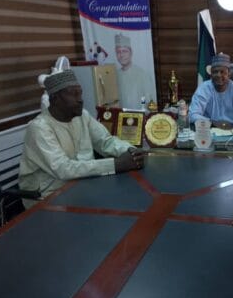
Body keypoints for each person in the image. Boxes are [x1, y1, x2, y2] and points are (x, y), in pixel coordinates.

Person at [19, 70, 146, 206]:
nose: (80, 99)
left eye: (80, 93)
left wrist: (130, 150)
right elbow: (64, 169)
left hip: (82, 185)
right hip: (47, 196)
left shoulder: (82, 115)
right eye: (73, 94)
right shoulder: (39, 128)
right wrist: (116, 164)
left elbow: (105, 141)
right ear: (54, 99)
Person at [189, 53, 233, 133]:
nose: (218, 75)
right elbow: (193, 115)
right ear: (211, 74)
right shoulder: (204, 88)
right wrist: (212, 122)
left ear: (229, 74)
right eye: (215, 72)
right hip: (209, 130)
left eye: (222, 72)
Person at [115, 33, 154, 109]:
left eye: (124, 51)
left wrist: (142, 108)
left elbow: (148, 100)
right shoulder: (115, 75)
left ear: (131, 53)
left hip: (139, 117)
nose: (121, 55)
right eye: (118, 52)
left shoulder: (142, 74)